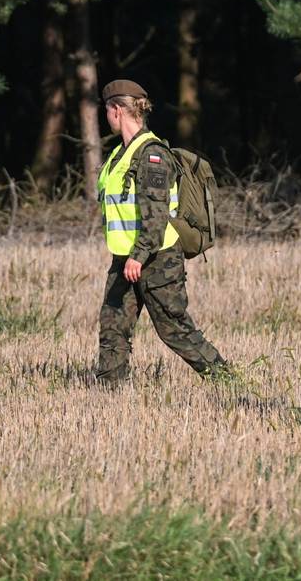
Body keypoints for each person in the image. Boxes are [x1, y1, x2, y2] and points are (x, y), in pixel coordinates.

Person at [94, 79, 230, 384]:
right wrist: (129, 257)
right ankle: (106, 390)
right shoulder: (119, 155)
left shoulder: (151, 155)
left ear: (116, 110)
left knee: (175, 329)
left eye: (106, 111)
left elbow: (155, 218)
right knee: (113, 326)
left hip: (155, 258)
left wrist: (139, 256)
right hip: (126, 257)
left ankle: (227, 380)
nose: (106, 117)